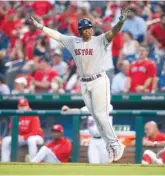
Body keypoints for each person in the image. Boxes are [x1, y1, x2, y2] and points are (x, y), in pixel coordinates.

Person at [30, 8, 130, 162]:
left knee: (101, 115)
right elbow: (57, 35)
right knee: (96, 117)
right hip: (84, 83)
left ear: (92, 28)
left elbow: (113, 32)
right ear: (80, 31)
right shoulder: (73, 42)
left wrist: (121, 21)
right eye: (84, 29)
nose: (87, 31)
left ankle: (116, 144)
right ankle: (111, 146)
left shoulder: (99, 40)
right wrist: (42, 28)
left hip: (99, 80)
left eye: (89, 28)